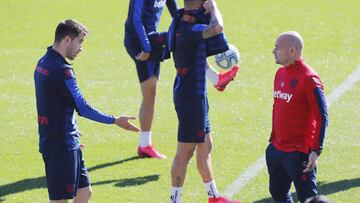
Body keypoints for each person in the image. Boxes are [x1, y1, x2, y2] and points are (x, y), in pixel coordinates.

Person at [34, 19, 140, 203]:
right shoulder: (62, 70)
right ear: (67, 40)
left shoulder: (43, 62)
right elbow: (82, 107)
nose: (81, 48)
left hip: (62, 139)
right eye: (80, 42)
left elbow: (48, 101)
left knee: (85, 193)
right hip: (61, 146)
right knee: (59, 201)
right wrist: (115, 120)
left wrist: (69, 127)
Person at [124, 0, 239, 159]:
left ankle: (215, 78)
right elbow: (134, 19)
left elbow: (174, 7)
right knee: (150, 93)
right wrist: (146, 48)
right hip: (140, 41)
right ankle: (145, 145)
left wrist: (183, 26)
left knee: (189, 44)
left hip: (152, 37)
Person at [167, 0, 240, 202]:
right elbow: (217, 28)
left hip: (195, 95)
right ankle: (175, 200)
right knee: (185, 151)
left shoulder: (181, 22)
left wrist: (216, 78)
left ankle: (213, 196)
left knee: (205, 145)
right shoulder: (192, 30)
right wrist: (214, 7)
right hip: (191, 98)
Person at [266, 31, 329, 203]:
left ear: (292, 51)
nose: (273, 51)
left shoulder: (309, 79)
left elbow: (322, 116)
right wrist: (273, 141)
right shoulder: (280, 74)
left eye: (277, 47)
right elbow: (277, 107)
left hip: (299, 154)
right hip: (277, 149)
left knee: (308, 199)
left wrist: (316, 150)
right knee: (278, 192)